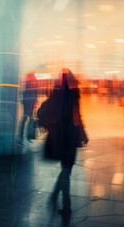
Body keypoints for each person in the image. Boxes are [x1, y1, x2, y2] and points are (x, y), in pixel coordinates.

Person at [45, 68, 88, 217]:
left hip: (63, 137)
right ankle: (65, 204)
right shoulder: (74, 94)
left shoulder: (58, 94)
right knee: (67, 169)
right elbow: (77, 115)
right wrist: (82, 133)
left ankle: (57, 197)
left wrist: (51, 127)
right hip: (70, 137)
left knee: (66, 169)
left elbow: (42, 111)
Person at [17, 73, 37, 144]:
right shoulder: (27, 83)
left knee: (27, 120)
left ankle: (25, 137)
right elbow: (25, 94)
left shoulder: (31, 83)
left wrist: (34, 103)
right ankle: (21, 138)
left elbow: (34, 94)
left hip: (30, 104)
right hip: (28, 104)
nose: (34, 77)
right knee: (25, 119)